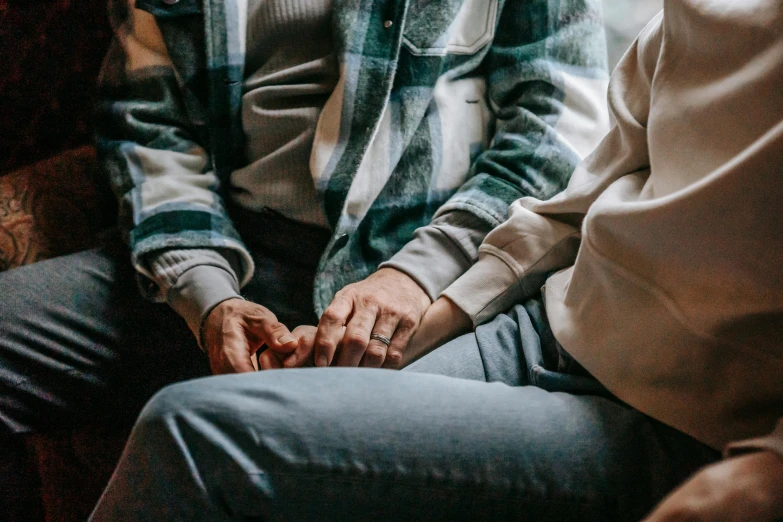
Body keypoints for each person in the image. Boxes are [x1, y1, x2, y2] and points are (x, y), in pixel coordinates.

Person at [88, 0, 783, 520]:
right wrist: (426, 320)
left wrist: (768, 468)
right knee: (261, 415)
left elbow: (550, 128)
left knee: (191, 430)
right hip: (542, 327)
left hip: (682, 413)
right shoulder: (697, 9)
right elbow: (577, 203)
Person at [0, 0, 610, 516]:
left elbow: (555, 131)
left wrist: (415, 277)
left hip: (432, 272)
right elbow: (148, 126)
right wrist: (207, 296)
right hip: (229, 255)